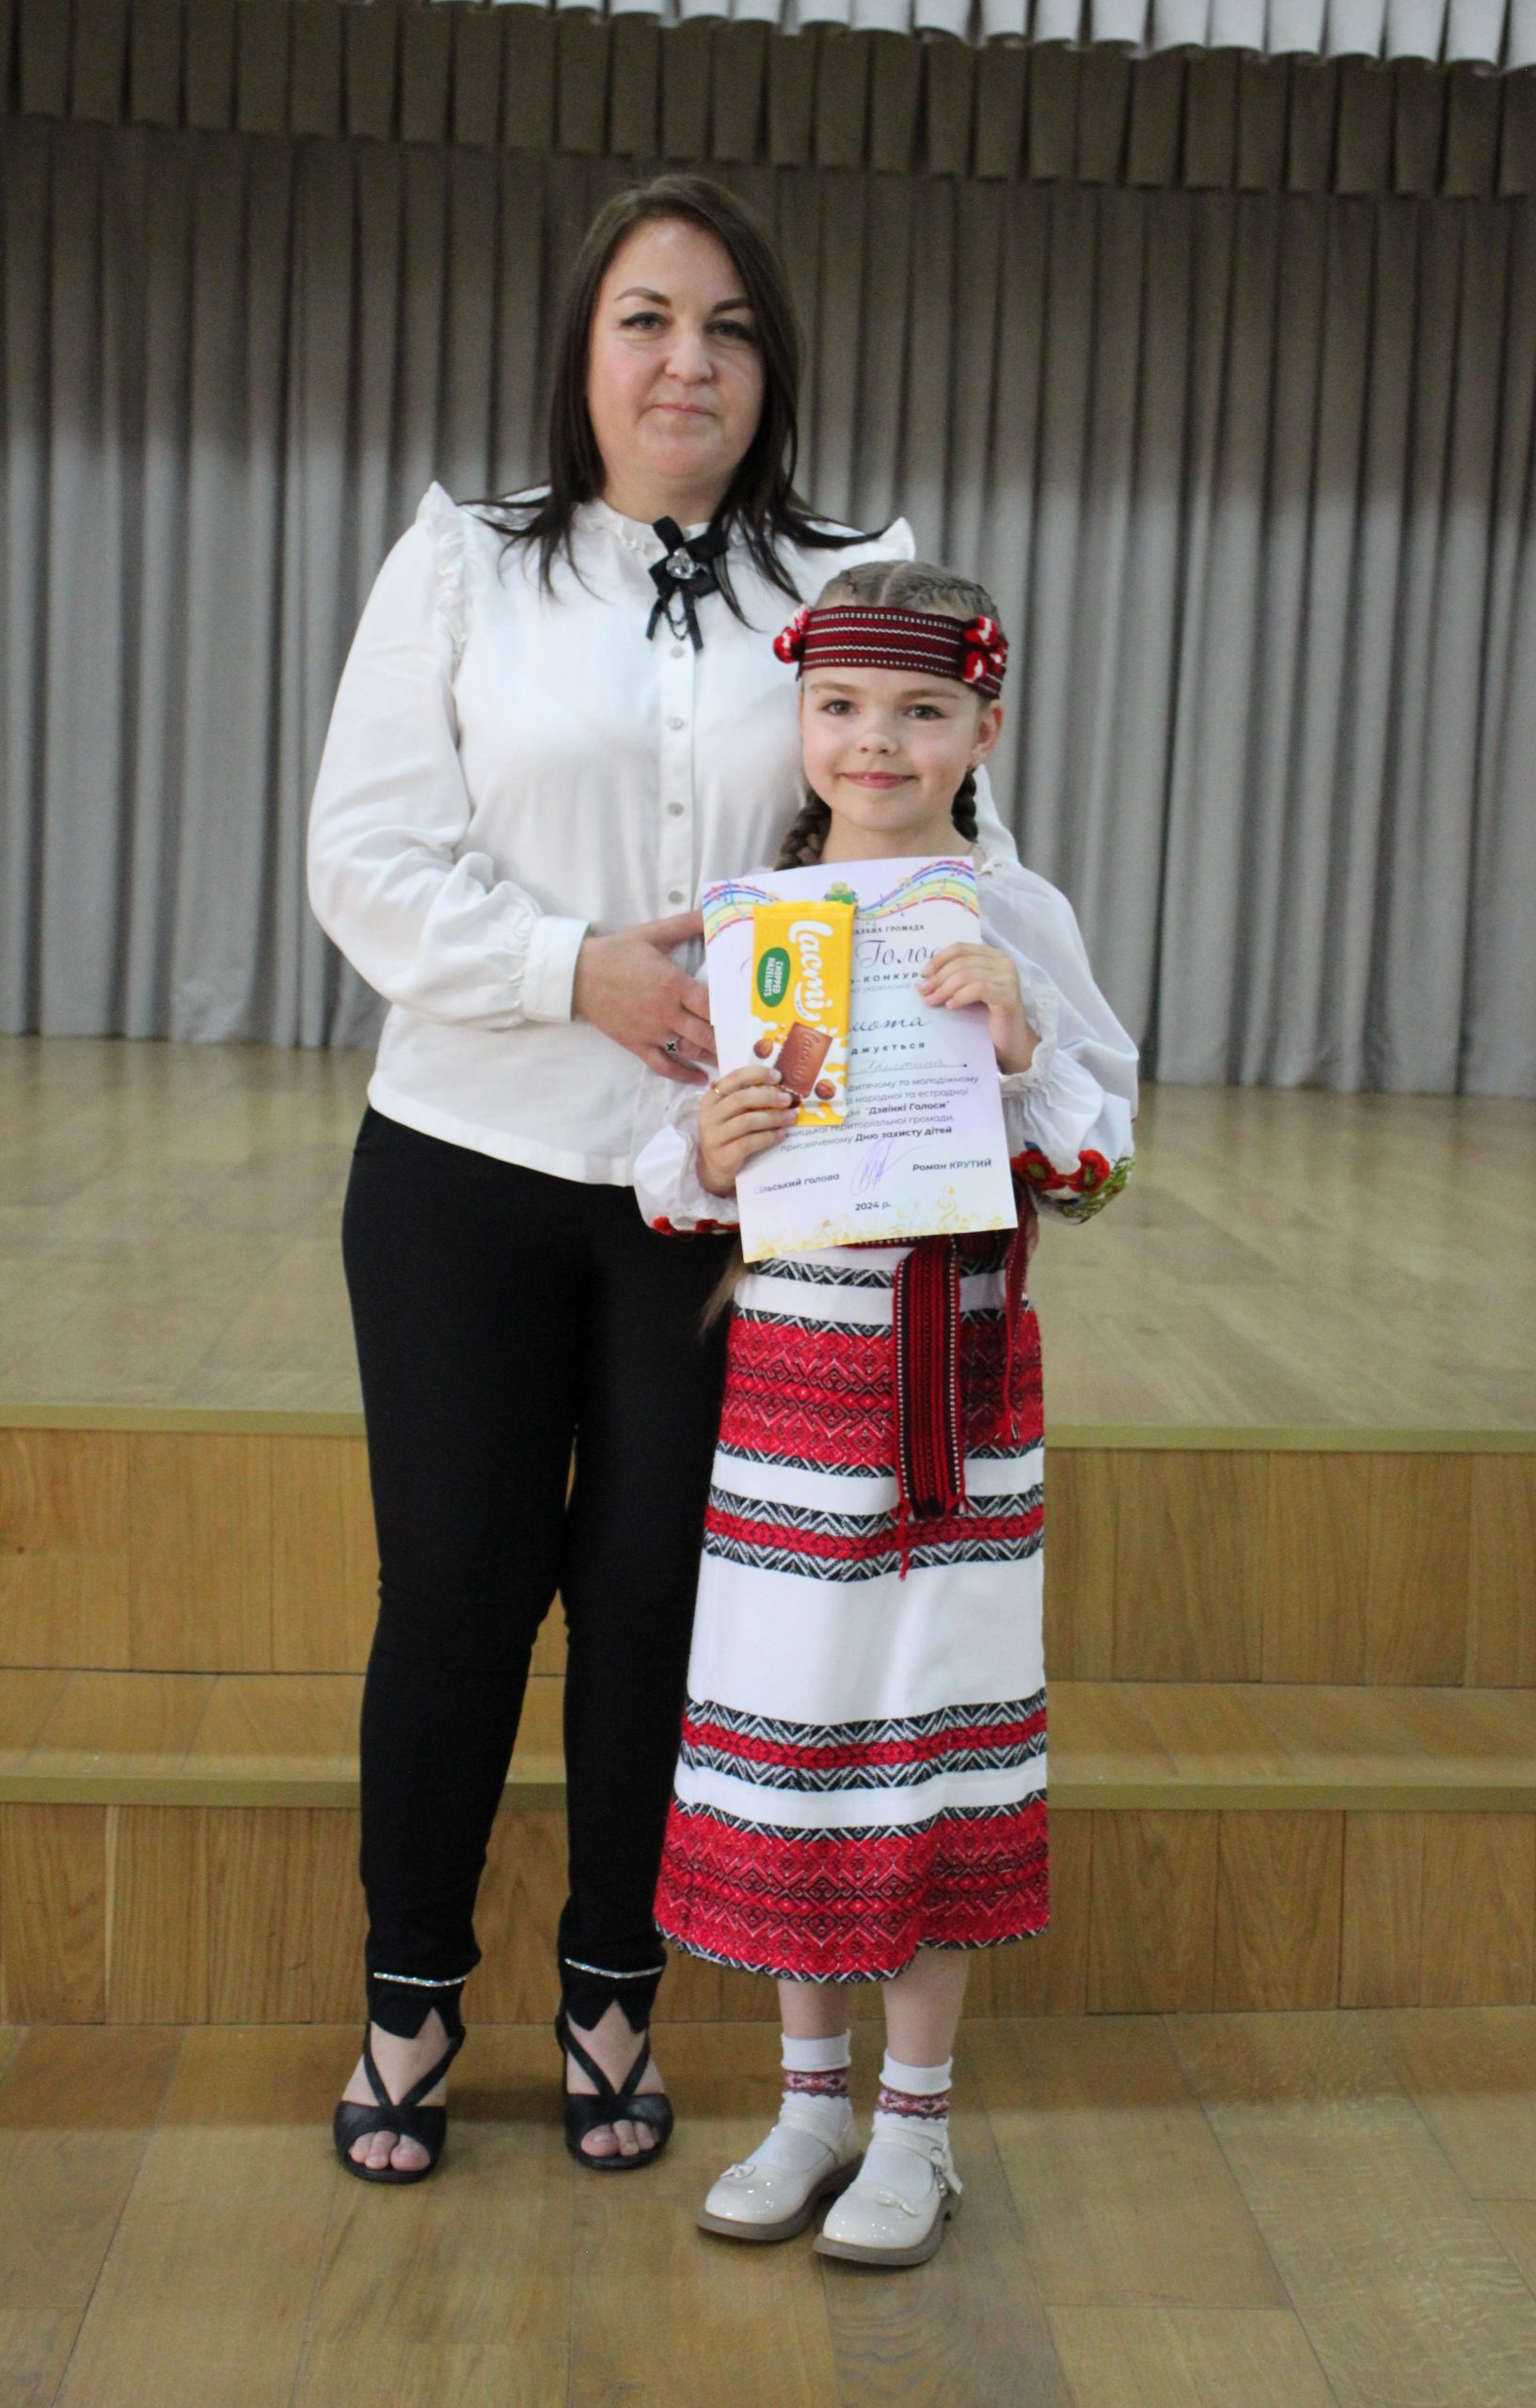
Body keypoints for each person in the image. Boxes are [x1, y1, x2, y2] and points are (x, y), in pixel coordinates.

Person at [307, 177, 1019, 2183]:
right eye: (644, 317)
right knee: (455, 1591)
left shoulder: (850, 572)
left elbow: (935, 841)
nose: (685, 359)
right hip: (466, 1157)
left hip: (736, 1199)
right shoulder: (464, 560)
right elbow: (364, 855)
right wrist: (576, 970)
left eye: (726, 325)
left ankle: (614, 1994)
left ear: (769, 366)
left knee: (654, 1603)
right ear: (585, 348)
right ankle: (408, 1999)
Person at [634, 560, 1137, 2265]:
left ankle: (916, 2131)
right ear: (799, 718)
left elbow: (1101, 1160)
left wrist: (1022, 1045)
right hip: (791, 1386)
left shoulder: (1016, 911)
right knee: (800, 1739)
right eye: (841, 705)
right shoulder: (757, 921)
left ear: (984, 728)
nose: (877, 740)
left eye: (923, 709)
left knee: (927, 1746)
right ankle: (808, 2109)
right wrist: (708, 1153)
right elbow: (671, 1164)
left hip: (959, 1392)